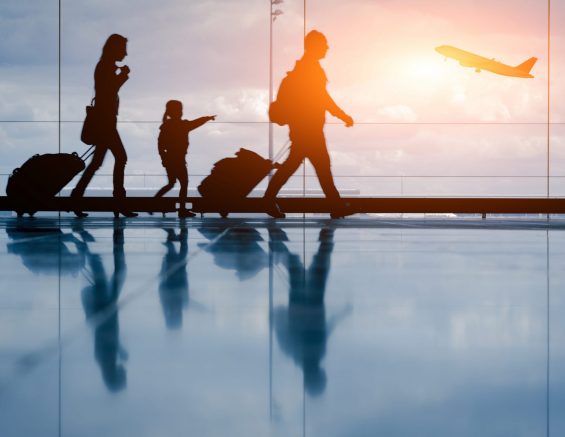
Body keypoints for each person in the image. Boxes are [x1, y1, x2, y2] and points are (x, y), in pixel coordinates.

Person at [265, 30, 354, 219]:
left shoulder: (305, 68)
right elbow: (323, 98)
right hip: (309, 129)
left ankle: (335, 205)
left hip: (303, 128)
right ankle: (335, 206)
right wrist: (342, 115)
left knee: (305, 165)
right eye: (324, 44)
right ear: (314, 46)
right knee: (320, 166)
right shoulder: (311, 70)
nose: (327, 48)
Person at [71, 34, 137, 218]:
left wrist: (121, 74)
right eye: (123, 48)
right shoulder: (106, 66)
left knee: (96, 163)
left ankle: (76, 198)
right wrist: (123, 75)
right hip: (105, 122)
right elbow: (108, 91)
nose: (125, 53)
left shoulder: (105, 66)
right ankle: (119, 203)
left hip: (105, 121)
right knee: (121, 158)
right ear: (114, 49)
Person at [154, 100, 215, 218]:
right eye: (180, 110)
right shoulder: (182, 125)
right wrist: (207, 118)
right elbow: (196, 123)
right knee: (184, 183)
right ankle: (181, 209)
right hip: (178, 160)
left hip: (170, 159)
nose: (181, 112)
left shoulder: (166, 126)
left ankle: (154, 202)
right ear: (177, 112)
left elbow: (160, 144)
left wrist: (163, 158)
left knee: (172, 183)